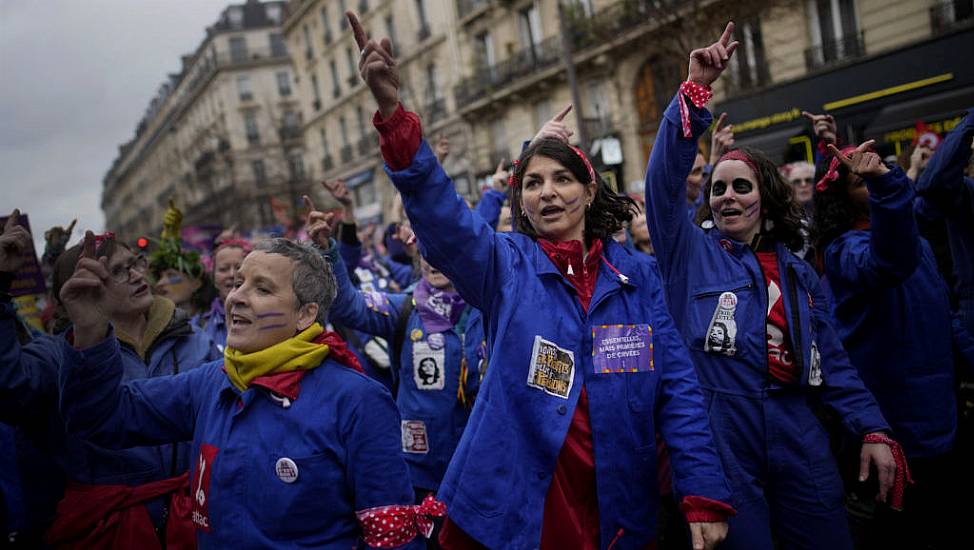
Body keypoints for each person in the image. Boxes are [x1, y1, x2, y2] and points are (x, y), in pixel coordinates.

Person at [348, 11, 733, 549]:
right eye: (532, 183)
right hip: (520, 508)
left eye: (561, 179)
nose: (547, 192)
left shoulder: (639, 275)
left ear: (590, 190)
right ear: (520, 200)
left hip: (619, 504)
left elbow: (678, 392)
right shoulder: (506, 264)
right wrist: (393, 114)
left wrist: (702, 493)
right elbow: (442, 216)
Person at [643, 23, 902, 550]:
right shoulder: (688, 252)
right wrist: (694, 92)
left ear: (767, 198)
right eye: (718, 189)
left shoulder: (800, 272)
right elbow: (662, 186)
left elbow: (834, 360)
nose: (728, 198)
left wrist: (872, 429)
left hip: (797, 427)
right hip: (721, 436)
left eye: (742, 186)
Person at [57, 233, 435, 548]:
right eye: (238, 282)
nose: (236, 297)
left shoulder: (357, 401)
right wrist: (90, 331)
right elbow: (101, 419)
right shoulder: (210, 382)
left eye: (262, 288)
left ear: (305, 314)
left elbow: (391, 537)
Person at [0, 210, 220, 547]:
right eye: (117, 271)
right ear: (80, 289)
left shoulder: (195, 340)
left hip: (195, 520)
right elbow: (9, 388)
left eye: (136, 263)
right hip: (103, 531)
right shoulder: (58, 355)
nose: (134, 275)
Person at [813, 139, 974, 549]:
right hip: (896, 427)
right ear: (843, 200)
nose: (873, 181)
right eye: (861, 181)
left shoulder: (916, 242)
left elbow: (940, 308)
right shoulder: (844, 251)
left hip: (943, 417)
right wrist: (887, 187)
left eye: (878, 172)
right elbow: (891, 261)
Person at [306, 201, 484, 516]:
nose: (434, 258)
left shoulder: (491, 307)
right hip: (418, 475)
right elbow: (347, 305)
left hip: (480, 471)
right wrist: (328, 253)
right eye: (426, 248)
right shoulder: (404, 308)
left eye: (444, 247)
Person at [149, 202, 212, 317]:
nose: (160, 283)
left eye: (171, 275)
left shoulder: (220, 323)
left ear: (196, 283)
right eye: (159, 277)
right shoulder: (156, 331)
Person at [194, 238, 251, 352]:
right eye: (223, 269)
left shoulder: (268, 318)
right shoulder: (197, 326)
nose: (231, 274)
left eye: (239, 267)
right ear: (213, 277)